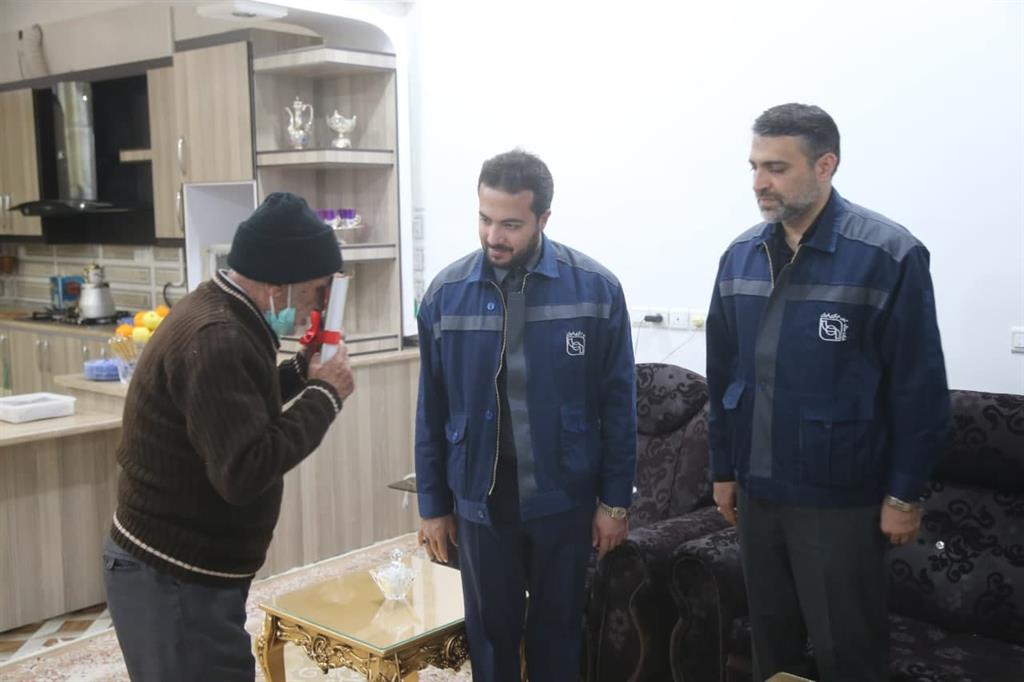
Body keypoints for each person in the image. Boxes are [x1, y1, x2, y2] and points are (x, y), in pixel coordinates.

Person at [706, 103, 951, 682]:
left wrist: (904, 495)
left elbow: (918, 389)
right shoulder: (740, 257)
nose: (759, 182)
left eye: (776, 168)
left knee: (848, 651)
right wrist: (723, 469)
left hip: (840, 498)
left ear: (825, 166)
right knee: (773, 648)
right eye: (754, 166)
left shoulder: (887, 256)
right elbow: (723, 376)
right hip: (759, 492)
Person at [102, 192, 355, 681]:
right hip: (172, 577)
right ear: (280, 282)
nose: (317, 306)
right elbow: (244, 469)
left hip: (183, 572)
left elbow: (232, 407)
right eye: (316, 290)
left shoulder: (224, 311)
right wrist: (325, 396)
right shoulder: (217, 336)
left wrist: (299, 373)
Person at [415, 149, 637, 681]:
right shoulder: (446, 296)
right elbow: (431, 409)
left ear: (543, 219)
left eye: (511, 224)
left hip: (563, 497)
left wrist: (615, 503)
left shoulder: (596, 291)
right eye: (485, 219)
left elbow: (619, 406)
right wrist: (433, 505)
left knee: (558, 635)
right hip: (480, 500)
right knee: (489, 637)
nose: (494, 236)